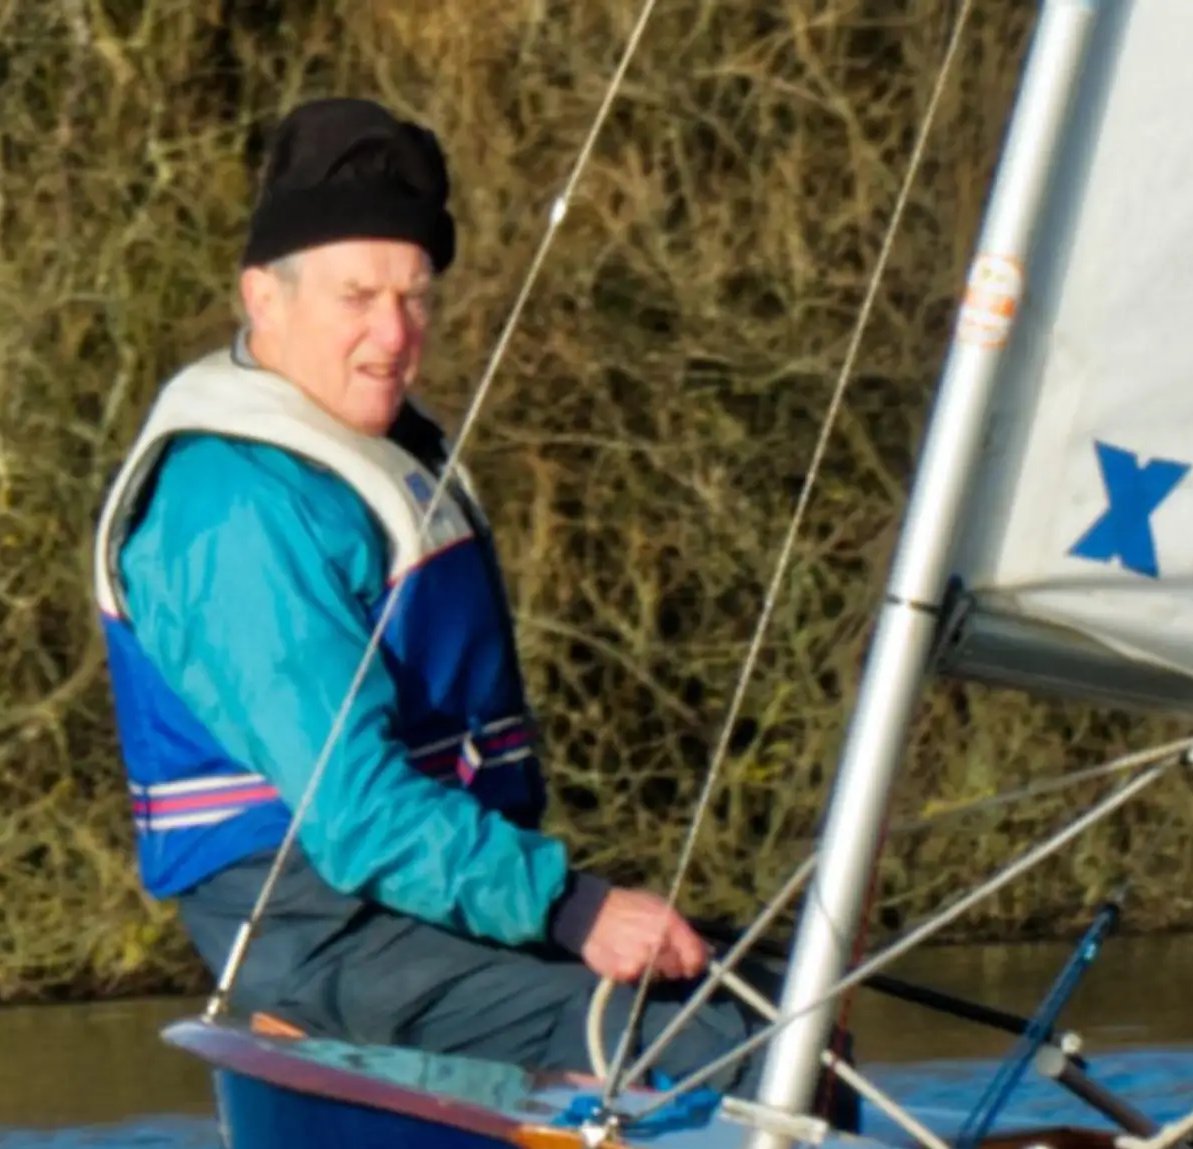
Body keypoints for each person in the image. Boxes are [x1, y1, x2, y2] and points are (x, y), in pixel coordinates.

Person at [92, 97, 761, 1089]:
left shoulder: (373, 450)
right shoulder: (234, 508)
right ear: (263, 300)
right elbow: (355, 813)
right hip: (319, 941)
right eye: (357, 298)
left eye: (414, 297)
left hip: (424, 909)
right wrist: (566, 906)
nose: (393, 336)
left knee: (774, 995)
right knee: (718, 1045)